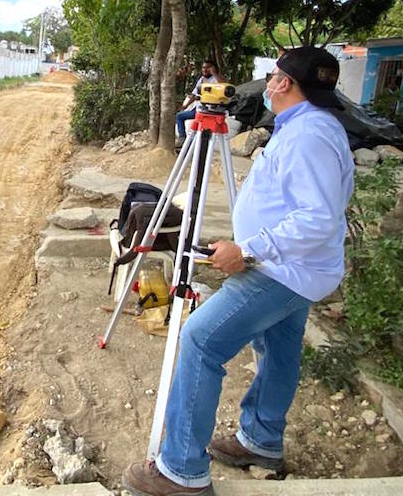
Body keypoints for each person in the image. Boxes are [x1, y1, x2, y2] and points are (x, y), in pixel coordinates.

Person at [123, 46, 354, 496]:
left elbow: (318, 217)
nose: (267, 83)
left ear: (285, 83)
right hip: (299, 270)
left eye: (273, 76)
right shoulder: (315, 127)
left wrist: (247, 250)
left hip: (281, 270)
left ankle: (181, 472)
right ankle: (261, 441)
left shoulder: (308, 135)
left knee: (200, 340)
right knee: (278, 350)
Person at [175, 61, 219, 148]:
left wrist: (214, 73)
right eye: (203, 68)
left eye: (207, 68)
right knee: (180, 116)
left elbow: (224, 84)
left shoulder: (215, 79)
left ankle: (190, 145)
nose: (205, 70)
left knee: (197, 129)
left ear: (213, 68)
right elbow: (194, 95)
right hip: (198, 109)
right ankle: (182, 138)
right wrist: (186, 105)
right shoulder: (201, 79)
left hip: (209, 110)